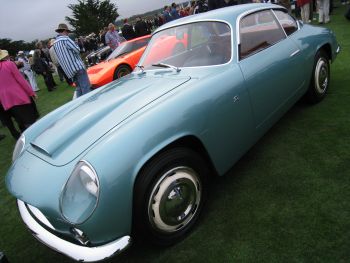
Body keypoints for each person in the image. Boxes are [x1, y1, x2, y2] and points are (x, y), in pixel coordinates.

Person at [0, 49, 38, 134]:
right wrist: (31, 93)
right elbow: (21, 80)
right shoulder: (9, 64)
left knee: (20, 121)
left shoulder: (8, 64)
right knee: (30, 121)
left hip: (6, 101)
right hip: (19, 97)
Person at [53, 23, 92, 97]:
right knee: (85, 87)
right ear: (64, 31)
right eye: (67, 32)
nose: (68, 33)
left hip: (69, 70)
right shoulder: (66, 39)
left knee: (79, 88)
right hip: (77, 67)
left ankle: (80, 104)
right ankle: (88, 104)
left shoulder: (55, 43)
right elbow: (77, 49)